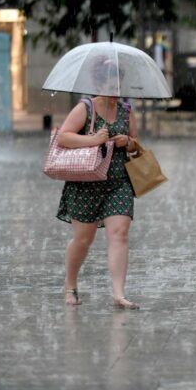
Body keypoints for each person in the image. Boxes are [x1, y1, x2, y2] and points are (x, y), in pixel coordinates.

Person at [56, 55, 140, 309]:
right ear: (98, 85)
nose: (114, 93)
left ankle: (118, 294)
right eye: (109, 87)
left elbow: (137, 146)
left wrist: (129, 142)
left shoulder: (126, 111)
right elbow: (63, 138)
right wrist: (93, 139)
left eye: (118, 86)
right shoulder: (86, 108)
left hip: (118, 182)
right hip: (86, 182)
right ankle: (70, 285)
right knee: (83, 239)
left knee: (120, 233)